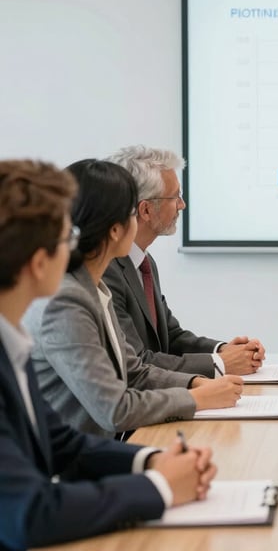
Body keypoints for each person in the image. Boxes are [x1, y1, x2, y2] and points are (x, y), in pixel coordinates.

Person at [0, 159, 218, 549]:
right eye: (68, 236)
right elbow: (28, 514)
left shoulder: (11, 342)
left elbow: (61, 443)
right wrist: (159, 487)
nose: (76, 245)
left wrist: (152, 460)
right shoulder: (61, 303)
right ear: (37, 263)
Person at [24, 159, 243, 438]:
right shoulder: (65, 302)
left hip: (104, 448)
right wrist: (198, 398)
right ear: (115, 230)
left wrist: (196, 383)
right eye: (131, 213)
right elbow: (115, 409)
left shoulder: (94, 287)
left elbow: (134, 373)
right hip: (76, 461)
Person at [103, 145, 264, 377]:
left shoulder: (144, 262)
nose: (182, 205)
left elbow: (172, 337)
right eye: (175, 196)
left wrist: (224, 350)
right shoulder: (107, 271)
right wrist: (220, 363)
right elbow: (138, 360)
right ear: (146, 210)